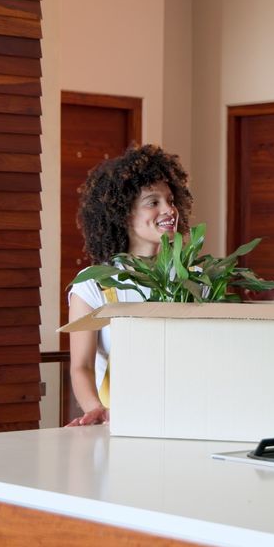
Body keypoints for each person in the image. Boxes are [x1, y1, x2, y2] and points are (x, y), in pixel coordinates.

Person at [65, 144, 193, 426]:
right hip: (119, 425)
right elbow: (81, 367)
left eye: (170, 200)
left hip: (183, 419)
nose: (169, 210)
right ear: (123, 213)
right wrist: (96, 409)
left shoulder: (193, 278)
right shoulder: (94, 285)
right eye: (153, 202)